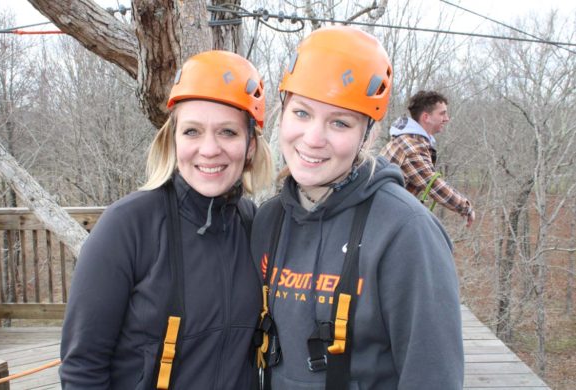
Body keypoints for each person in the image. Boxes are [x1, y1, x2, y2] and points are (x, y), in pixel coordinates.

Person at [251, 26, 464, 389]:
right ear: (282, 114)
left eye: (339, 122)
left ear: (369, 134)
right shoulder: (269, 220)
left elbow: (433, 375)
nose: (314, 138)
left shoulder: (405, 231)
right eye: (302, 113)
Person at [59, 50, 272, 389]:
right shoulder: (128, 226)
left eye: (228, 132)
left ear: (250, 146)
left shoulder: (254, 226)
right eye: (192, 132)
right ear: (173, 140)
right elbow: (82, 366)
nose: (209, 149)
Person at [380, 90, 475, 227]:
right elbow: (432, 184)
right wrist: (466, 207)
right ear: (426, 117)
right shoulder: (411, 146)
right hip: (382, 218)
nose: (447, 118)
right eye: (442, 113)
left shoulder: (409, 139)